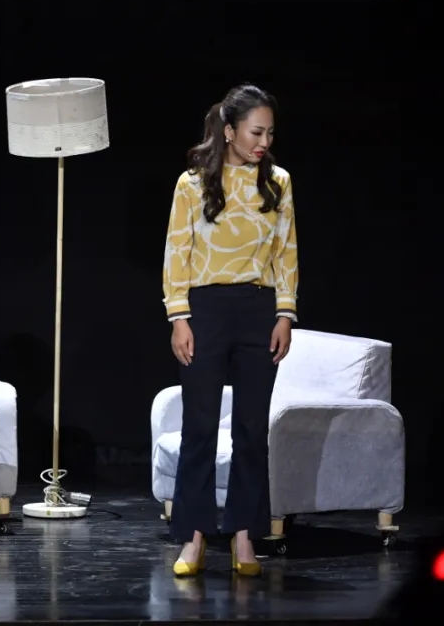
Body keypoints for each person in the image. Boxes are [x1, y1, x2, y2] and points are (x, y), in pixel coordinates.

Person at [161, 83, 299, 577]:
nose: (263, 142)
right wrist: (180, 317)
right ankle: (194, 537)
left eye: (269, 133)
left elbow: (286, 252)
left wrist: (285, 315)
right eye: (255, 132)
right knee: (199, 427)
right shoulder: (193, 183)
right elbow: (177, 251)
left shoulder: (278, 182)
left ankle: (244, 535)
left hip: (258, 310)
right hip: (206, 310)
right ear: (229, 131)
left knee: (251, 430)